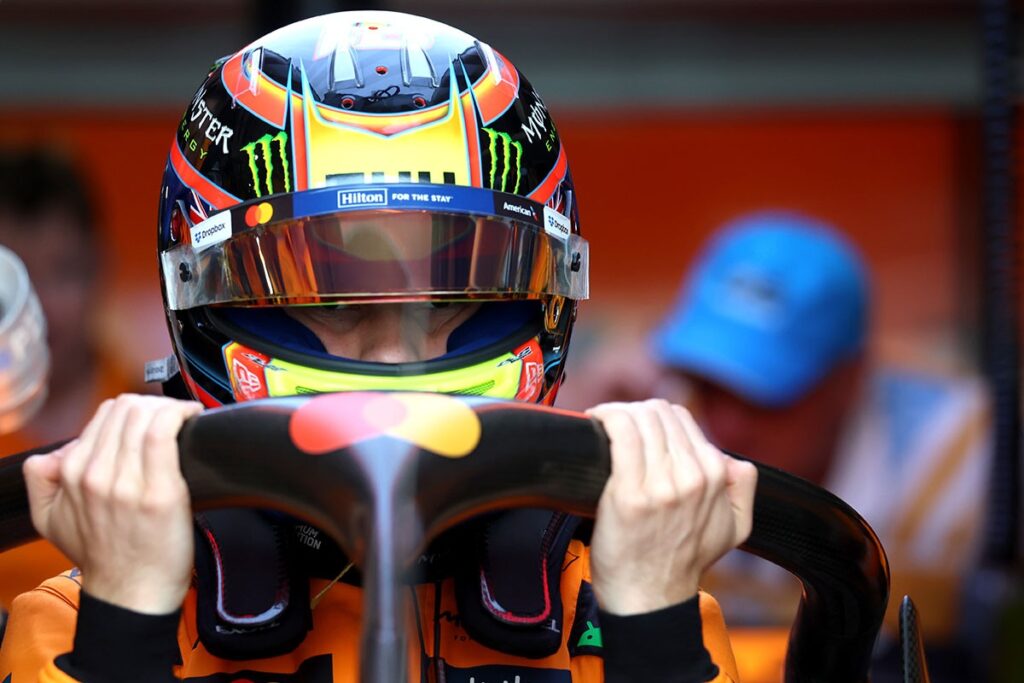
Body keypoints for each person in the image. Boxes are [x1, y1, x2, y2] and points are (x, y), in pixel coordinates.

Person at [0, 12, 757, 682]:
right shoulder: (77, 624)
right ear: (207, 301)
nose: (395, 357)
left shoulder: (635, 600)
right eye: (331, 300)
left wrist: (652, 630)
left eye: (452, 298)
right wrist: (127, 627)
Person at [629, 212, 987, 681]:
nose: (728, 427)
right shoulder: (650, 421)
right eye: (710, 384)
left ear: (851, 378)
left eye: (765, 396)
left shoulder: (960, 464)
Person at [0, 148, 150, 610]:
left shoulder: (153, 419)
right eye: (13, 280)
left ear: (99, 269)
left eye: (62, 272)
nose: (40, 304)